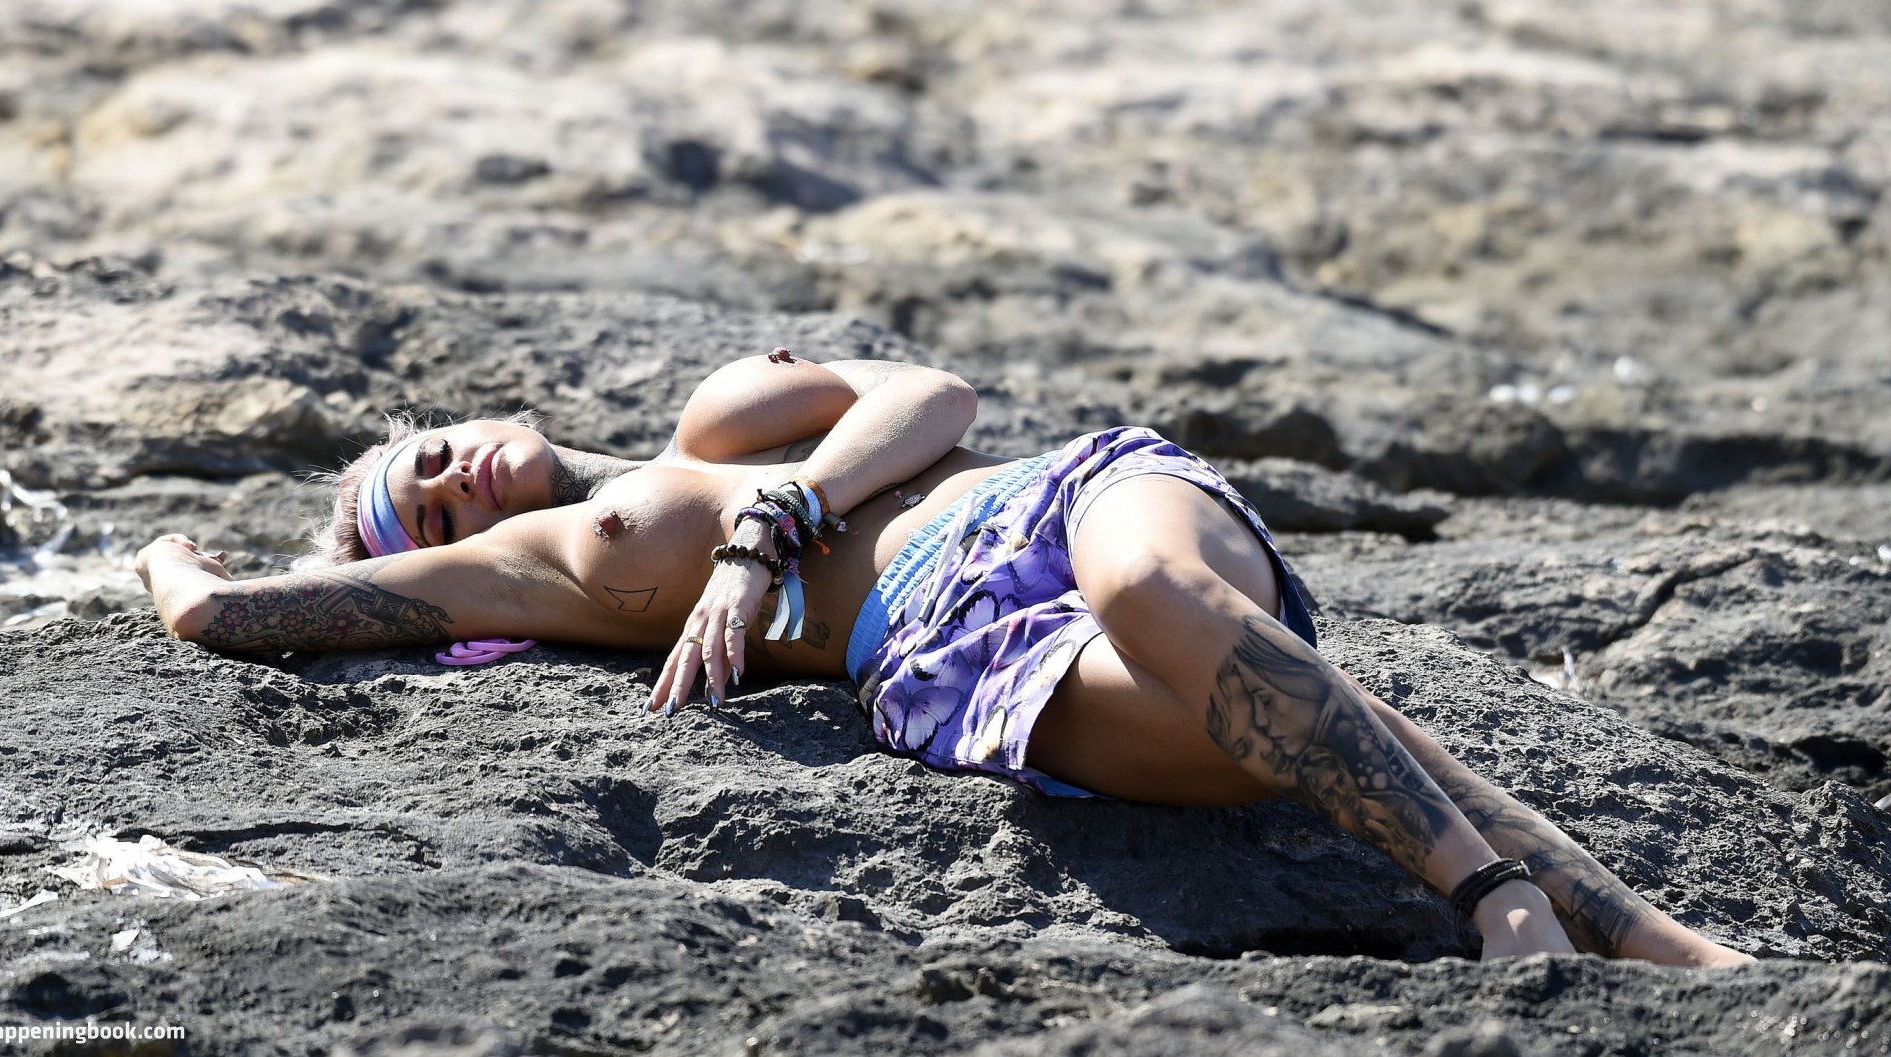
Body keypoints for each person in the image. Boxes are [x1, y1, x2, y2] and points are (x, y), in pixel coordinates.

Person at [136, 350, 1752, 967]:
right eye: (419, 505)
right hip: (950, 658)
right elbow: (224, 616)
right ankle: (1661, 947)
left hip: (1052, 503)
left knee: (1159, 594)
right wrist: (161, 554)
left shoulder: (719, 415)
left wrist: (774, 516)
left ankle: (1496, 894)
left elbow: (935, 399)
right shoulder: (539, 568)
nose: (453, 478)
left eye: (430, 449)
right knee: (1243, 703)